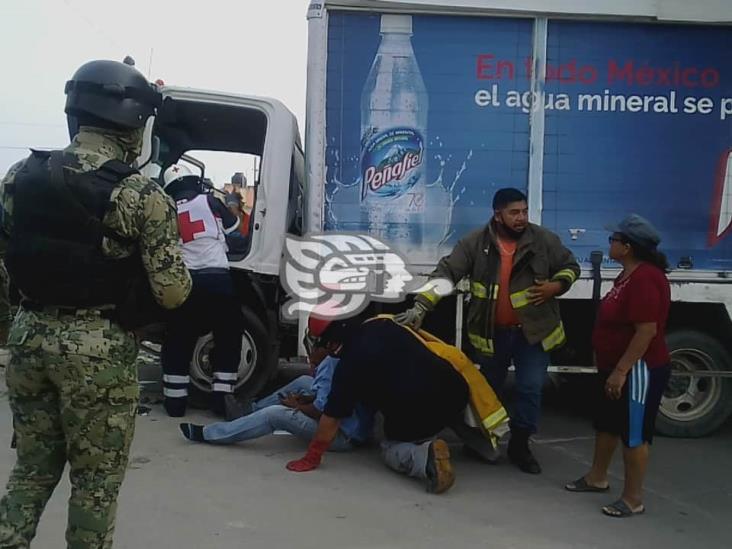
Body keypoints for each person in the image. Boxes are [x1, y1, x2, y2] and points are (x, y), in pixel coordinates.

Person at [0, 59, 192, 548]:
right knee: (95, 484)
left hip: (27, 336)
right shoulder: (139, 194)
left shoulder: (19, 176)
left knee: (31, 470)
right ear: (134, 123)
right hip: (97, 351)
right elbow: (172, 292)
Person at [396, 187, 580, 474]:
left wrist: (557, 286)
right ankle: (482, 438)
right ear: (498, 215)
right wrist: (420, 306)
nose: (521, 218)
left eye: (524, 211)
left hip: (532, 334)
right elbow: (446, 273)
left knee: (530, 388)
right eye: (514, 213)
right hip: (492, 334)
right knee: (487, 390)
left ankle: (520, 445)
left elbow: (570, 266)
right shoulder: (474, 244)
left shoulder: (543, 240)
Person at [286, 315, 504, 495]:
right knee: (444, 404)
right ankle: (487, 450)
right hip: (455, 389)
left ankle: (424, 458)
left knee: (390, 447)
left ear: (332, 343)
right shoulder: (381, 323)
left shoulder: (350, 366)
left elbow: (331, 418)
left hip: (418, 413)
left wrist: (311, 457)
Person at [565, 214, 671, 518]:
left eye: (614, 240)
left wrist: (622, 370)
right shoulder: (627, 275)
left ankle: (633, 498)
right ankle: (597, 477)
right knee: (607, 423)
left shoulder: (646, 279)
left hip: (639, 371)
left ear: (627, 247)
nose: (609, 243)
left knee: (633, 432)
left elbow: (646, 330)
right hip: (616, 366)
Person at [178, 327, 374, 449]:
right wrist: (306, 400)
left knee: (275, 414)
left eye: (314, 346)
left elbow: (321, 411)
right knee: (304, 383)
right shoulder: (343, 357)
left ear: (326, 347)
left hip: (342, 436)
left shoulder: (329, 365)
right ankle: (249, 413)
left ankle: (210, 434)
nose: (310, 350)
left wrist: (294, 406)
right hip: (355, 426)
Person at [160, 163, 246, 419]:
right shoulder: (210, 201)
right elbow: (236, 233)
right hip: (219, 281)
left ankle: (175, 403)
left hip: (186, 283)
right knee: (229, 337)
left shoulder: (165, 208)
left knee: (178, 340)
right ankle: (221, 398)